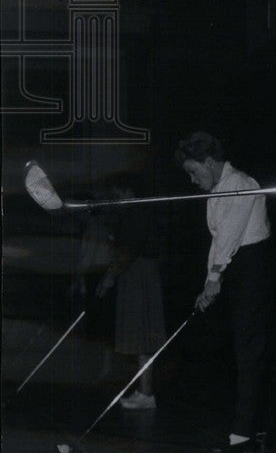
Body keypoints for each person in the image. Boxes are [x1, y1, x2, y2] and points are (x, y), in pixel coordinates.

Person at [176, 131, 272, 453]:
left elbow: (230, 237)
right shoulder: (218, 189)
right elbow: (217, 240)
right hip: (234, 268)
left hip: (250, 269)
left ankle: (243, 435)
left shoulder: (240, 184)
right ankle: (252, 427)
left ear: (210, 161)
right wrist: (209, 282)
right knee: (240, 351)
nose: (191, 179)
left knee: (248, 352)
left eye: (193, 171)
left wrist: (215, 277)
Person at [95, 172, 166, 410]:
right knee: (139, 336)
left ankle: (147, 394)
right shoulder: (132, 213)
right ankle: (144, 391)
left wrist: (109, 277)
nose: (116, 199)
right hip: (135, 275)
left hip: (140, 275)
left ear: (128, 192)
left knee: (143, 334)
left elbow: (128, 252)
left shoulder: (138, 212)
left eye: (118, 194)